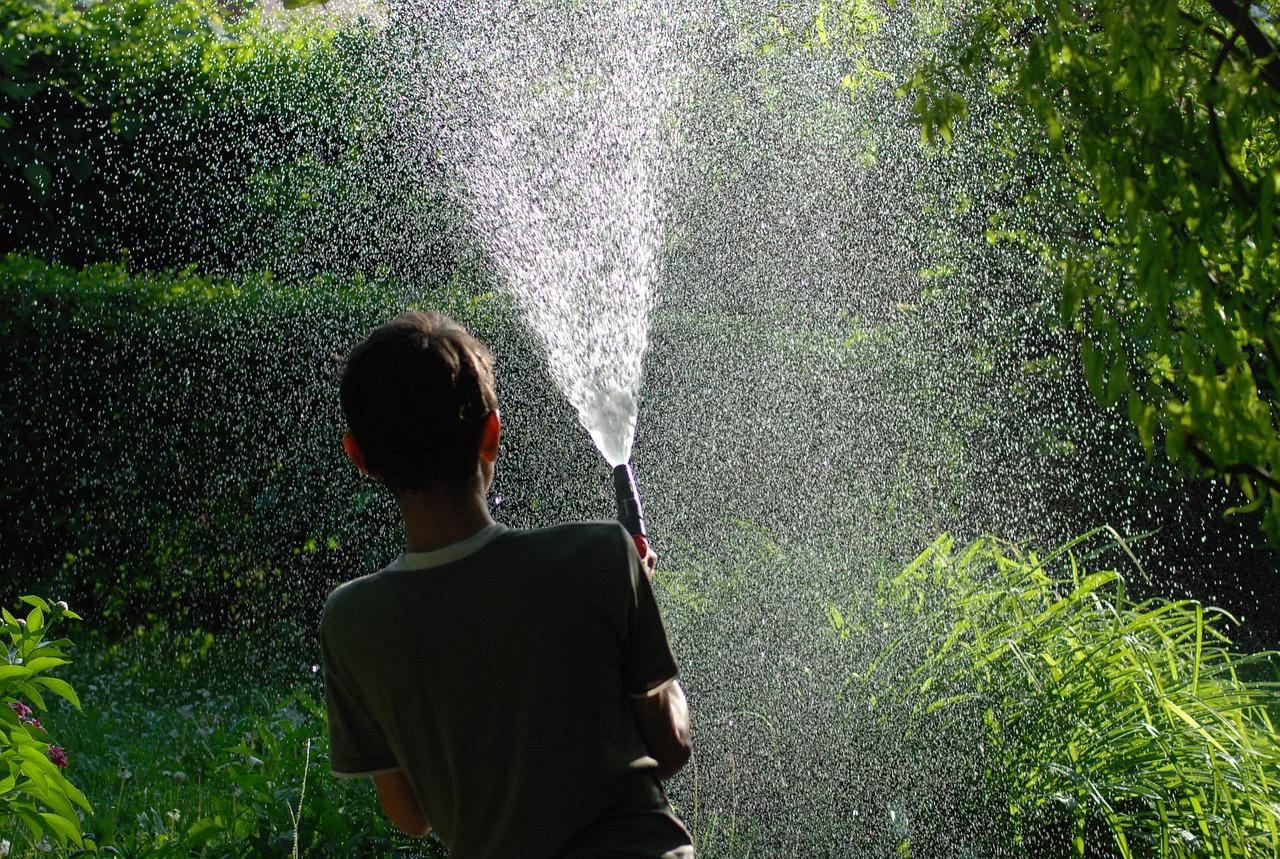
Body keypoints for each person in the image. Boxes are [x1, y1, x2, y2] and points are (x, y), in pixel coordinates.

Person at [320, 311, 694, 858]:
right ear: (491, 433)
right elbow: (672, 746)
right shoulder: (600, 557)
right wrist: (639, 595)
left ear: (360, 457)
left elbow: (411, 816)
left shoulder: (352, 620)